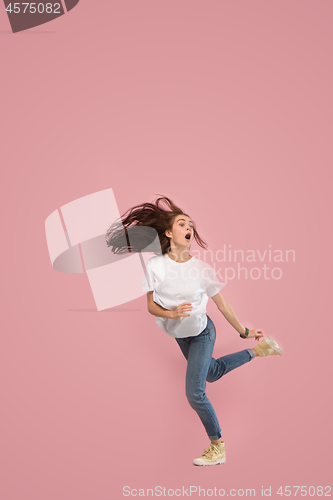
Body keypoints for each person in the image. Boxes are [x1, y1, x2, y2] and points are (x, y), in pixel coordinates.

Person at [106, 195, 283, 466]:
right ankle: (259, 351)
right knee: (212, 372)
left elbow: (223, 305)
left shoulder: (201, 270)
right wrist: (171, 314)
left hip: (202, 331)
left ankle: (217, 446)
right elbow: (151, 307)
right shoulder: (155, 266)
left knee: (195, 392)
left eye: (190, 224)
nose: (189, 228)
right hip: (179, 334)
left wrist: (244, 331)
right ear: (168, 232)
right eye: (181, 223)